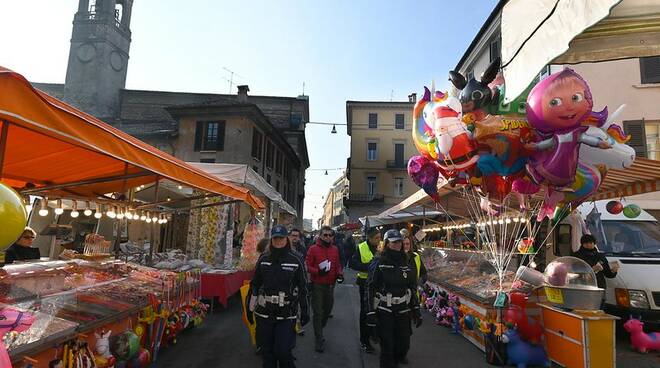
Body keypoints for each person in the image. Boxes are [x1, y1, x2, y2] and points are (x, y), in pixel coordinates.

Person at [246, 225, 310, 368]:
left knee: (282, 352)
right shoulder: (263, 258)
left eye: (281, 238)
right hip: (264, 314)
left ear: (286, 238)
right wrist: (249, 307)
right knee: (267, 354)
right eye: (275, 238)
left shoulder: (296, 259)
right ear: (271, 239)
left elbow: (303, 287)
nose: (278, 241)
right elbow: (255, 284)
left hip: (286, 314)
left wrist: (305, 310)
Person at [366, 230, 422, 367]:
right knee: (387, 348)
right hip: (385, 310)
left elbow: (411, 286)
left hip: (403, 310)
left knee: (403, 345)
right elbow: (371, 287)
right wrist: (370, 312)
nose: (397, 245)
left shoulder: (406, 261)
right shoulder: (379, 261)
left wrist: (416, 308)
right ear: (386, 244)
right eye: (394, 242)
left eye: (399, 242)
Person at [305, 226, 343, 352]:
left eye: (330, 235)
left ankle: (319, 328)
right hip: (317, 285)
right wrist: (317, 271)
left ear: (333, 237)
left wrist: (340, 273)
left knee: (327, 311)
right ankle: (319, 337)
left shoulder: (335, 249)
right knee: (318, 312)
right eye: (325, 235)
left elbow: (337, 264)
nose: (327, 237)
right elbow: (307, 265)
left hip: (331, 285)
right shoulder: (313, 249)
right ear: (320, 236)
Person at [349, 228, 381, 353]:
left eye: (380, 237)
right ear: (370, 238)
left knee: (377, 311)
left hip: (379, 284)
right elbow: (352, 263)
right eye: (377, 238)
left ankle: (374, 333)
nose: (379, 241)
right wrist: (369, 267)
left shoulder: (382, 247)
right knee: (366, 312)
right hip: (365, 284)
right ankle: (364, 340)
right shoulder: (361, 247)